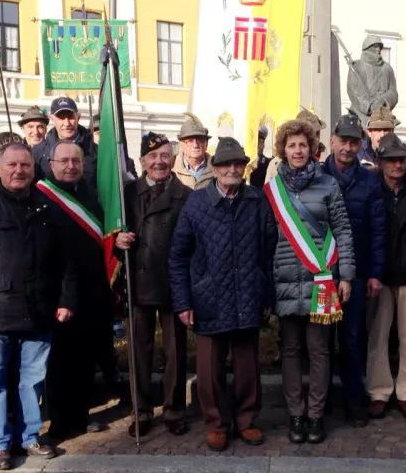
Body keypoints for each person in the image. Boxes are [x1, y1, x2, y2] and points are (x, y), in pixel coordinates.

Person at [0, 142, 77, 470]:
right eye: (12, 165)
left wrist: (66, 300)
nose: (18, 170)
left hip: (39, 312)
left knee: (32, 379)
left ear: (34, 169)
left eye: (24, 165)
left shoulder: (49, 209)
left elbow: (66, 262)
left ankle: (29, 436)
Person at [169, 137, 277, 452]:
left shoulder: (256, 201)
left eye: (238, 164)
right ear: (215, 168)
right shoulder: (196, 203)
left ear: (245, 168)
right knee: (209, 367)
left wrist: (265, 291)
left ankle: (246, 420)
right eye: (227, 164)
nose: (233, 169)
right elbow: (178, 257)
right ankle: (216, 423)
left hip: (247, 295)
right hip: (208, 298)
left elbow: (269, 249)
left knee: (247, 365)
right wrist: (184, 302)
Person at [268, 118, 355, 445]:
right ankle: (296, 415)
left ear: (313, 148)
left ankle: (316, 416)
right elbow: (267, 238)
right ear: (283, 150)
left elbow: (343, 231)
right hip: (286, 281)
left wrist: (345, 275)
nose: (298, 150)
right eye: (291, 145)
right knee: (290, 350)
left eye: (303, 144)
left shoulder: (328, 185)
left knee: (319, 351)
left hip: (322, 282)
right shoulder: (273, 190)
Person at [116, 132, 191, 438]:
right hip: (137, 280)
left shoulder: (186, 195)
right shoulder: (127, 194)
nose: (159, 162)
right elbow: (109, 230)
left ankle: (174, 410)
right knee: (139, 353)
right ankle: (142, 410)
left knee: (174, 352)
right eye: (152, 157)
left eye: (164, 155)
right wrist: (115, 240)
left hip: (172, 282)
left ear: (172, 159)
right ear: (143, 161)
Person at [40, 140, 115, 438]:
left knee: (85, 359)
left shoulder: (92, 196)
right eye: (64, 161)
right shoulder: (42, 195)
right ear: (52, 163)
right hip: (57, 294)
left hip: (92, 292)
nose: (70, 166)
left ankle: (81, 415)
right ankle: (60, 422)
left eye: (76, 161)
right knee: (59, 363)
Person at [321, 113, 386, 427]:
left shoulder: (370, 181)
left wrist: (375, 272)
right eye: (342, 141)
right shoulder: (317, 175)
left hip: (356, 273)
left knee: (352, 338)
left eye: (353, 142)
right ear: (332, 141)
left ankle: (353, 400)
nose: (347, 147)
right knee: (321, 341)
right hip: (320, 271)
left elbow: (377, 229)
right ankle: (321, 402)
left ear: (360, 145)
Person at [366, 133, 406, 421]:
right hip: (380, 274)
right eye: (391, 160)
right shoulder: (371, 189)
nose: (397, 165)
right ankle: (378, 391)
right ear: (381, 163)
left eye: (401, 159)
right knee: (378, 334)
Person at [32, 97, 97, 188]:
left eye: (70, 117)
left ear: (78, 117)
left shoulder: (96, 151)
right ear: (52, 119)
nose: (67, 123)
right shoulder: (38, 152)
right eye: (61, 118)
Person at [265, 109, 326, 184]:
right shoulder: (275, 164)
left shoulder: (327, 161)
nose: (315, 138)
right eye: (311, 133)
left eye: (317, 133)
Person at [173, 113, 215, 189]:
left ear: (206, 144)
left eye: (200, 140)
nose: (195, 145)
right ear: (181, 144)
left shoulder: (217, 170)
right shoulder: (171, 169)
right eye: (190, 141)